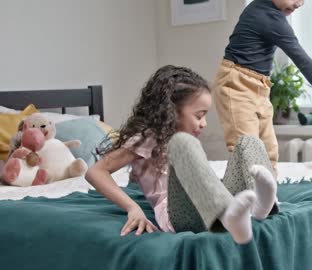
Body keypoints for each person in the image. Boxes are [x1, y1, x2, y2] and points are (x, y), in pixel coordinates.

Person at [85, 65, 278, 244]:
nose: (204, 124)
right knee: (182, 143)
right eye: (199, 115)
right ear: (173, 112)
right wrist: (132, 207)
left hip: (211, 203)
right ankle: (227, 215)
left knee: (248, 141)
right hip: (178, 214)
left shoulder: (181, 137)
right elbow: (95, 172)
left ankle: (263, 205)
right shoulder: (147, 137)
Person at [214, 0, 312, 174]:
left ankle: (270, 196)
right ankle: (245, 197)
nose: (299, 3)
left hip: (260, 86)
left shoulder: (270, 13)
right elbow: (301, 59)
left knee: (269, 149)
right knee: (245, 149)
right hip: (236, 84)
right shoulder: (267, 16)